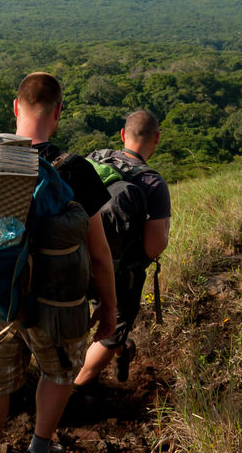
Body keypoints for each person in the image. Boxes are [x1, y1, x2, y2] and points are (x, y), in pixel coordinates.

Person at [0, 72, 117, 453]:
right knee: (58, 373)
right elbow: (101, 256)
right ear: (57, 112)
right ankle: (41, 443)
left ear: (15, 108)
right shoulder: (74, 171)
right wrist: (109, 308)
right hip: (57, 307)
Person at [74, 109, 172, 388]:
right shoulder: (152, 182)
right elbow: (154, 247)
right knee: (113, 331)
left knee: (96, 308)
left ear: (122, 135)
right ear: (157, 138)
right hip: (119, 273)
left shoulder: (92, 160)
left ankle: (121, 353)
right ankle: (75, 388)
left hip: (75, 259)